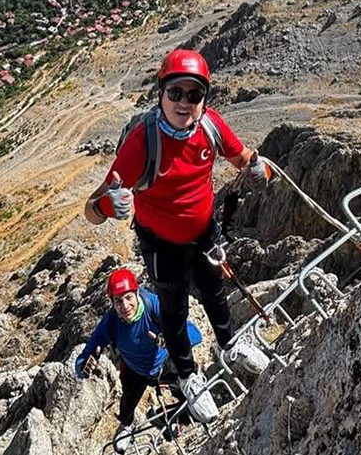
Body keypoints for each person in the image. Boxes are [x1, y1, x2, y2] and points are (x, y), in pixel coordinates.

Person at [84, 49, 271, 424]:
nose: (184, 103)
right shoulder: (142, 143)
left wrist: (258, 170)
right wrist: (110, 205)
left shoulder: (211, 127)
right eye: (176, 93)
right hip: (162, 244)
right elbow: (92, 209)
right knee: (173, 311)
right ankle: (188, 376)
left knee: (215, 291)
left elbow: (243, 157)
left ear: (204, 98)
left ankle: (231, 345)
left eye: (194, 94)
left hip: (203, 232)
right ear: (161, 93)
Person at [75, 268, 202, 453]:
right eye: (118, 301)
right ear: (112, 303)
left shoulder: (154, 305)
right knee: (127, 404)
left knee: (196, 403)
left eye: (128, 298)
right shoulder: (110, 322)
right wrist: (84, 366)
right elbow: (82, 359)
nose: (125, 306)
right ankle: (126, 425)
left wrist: (171, 339)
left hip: (167, 363)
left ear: (137, 293)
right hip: (135, 370)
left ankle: (162, 416)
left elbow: (194, 333)